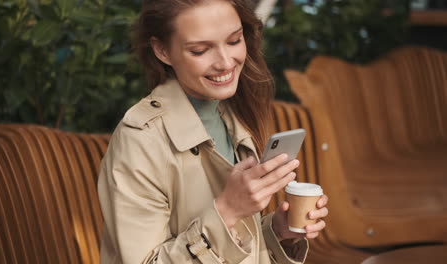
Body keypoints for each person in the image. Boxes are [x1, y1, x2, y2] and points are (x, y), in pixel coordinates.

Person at [97, 0, 329, 263]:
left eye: (234, 41)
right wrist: (228, 211)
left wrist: (278, 232)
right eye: (200, 50)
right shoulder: (140, 140)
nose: (225, 62)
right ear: (162, 50)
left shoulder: (230, 114)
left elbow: (234, 248)